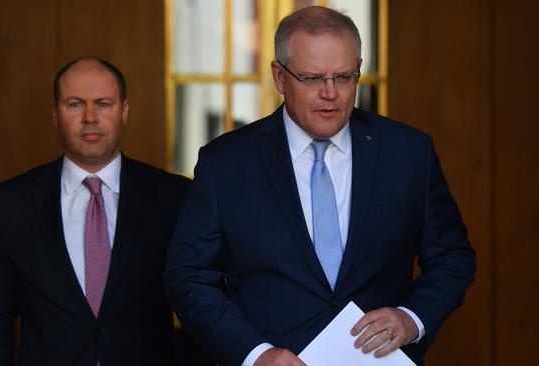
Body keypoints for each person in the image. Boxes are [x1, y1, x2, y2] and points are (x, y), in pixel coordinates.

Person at [164, 6, 476, 366]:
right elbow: (188, 277)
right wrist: (255, 354)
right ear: (279, 77)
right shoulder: (226, 164)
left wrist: (412, 318)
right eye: (313, 78)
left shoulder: (408, 153)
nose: (331, 93)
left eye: (343, 77)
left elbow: (453, 257)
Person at [0, 57, 190, 365]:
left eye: (103, 104)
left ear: (124, 111)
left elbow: (197, 309)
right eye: (75, 104)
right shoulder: (13, 203)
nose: (90, 117)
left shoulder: (173, 197)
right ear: (55, 114)